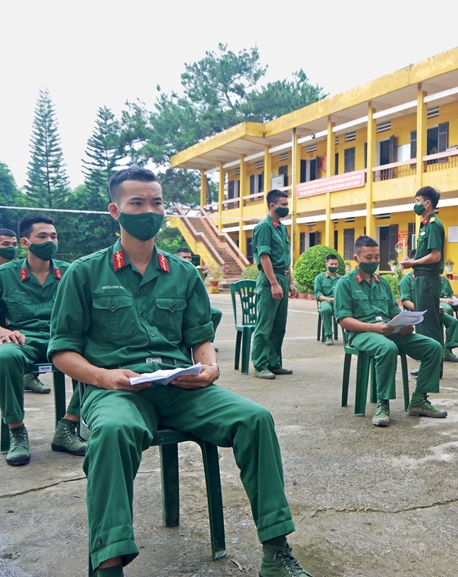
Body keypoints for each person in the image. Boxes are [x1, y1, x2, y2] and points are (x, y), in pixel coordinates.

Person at [48, 168, 309, 577]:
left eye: (156, 203)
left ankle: (276, 552)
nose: (149, 211)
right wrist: (105, 377)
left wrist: (210, 368)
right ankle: (108, 564)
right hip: (117, 390)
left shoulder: (184, 274)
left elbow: (200, 339)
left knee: (255, 419)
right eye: (137, 203)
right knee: (114, 432)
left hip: (180, 384)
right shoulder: (84, 273)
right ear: (115, 210)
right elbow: (62, 352)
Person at [0, 214, 87, 466]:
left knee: (101, 354)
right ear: (25, 242)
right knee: (5, 356)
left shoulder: (71, 272)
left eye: (53, 236)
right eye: (42, 236)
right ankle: (16, 431)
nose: (50, 241)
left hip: (62, 340)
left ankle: (68, 427)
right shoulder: (5, 274)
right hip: (24, 341)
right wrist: (2, 332)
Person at [336, 235, 445, 427]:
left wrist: (404, 324)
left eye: (377, 257)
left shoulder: (383, 283)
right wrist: (372, 327)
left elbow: (394, 311)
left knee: (433, 346)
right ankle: (383, 404)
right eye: (369, 258)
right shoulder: (345, 283)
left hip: (388, 329)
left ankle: (419, 400)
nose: (374, 261)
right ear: (356, 259)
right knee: (387, 348)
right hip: (362, 333)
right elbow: (344, 320)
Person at [251, 189, 296, 380]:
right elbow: (264, 256)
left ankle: (274, 363)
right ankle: (260, 365)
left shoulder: (281, 227)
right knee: (265, 325)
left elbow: (286, 258)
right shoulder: (264, 227)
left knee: (279, 326)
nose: (287, 208)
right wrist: (274, 284)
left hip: (283, 278)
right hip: (271, 279)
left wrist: (291, 282)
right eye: (284, 205)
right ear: (272, 205)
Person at [0, 227, 49, 394]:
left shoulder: (20, 270)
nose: (11, 249)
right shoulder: (5, 274)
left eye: (14, 244)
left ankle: (28, 375)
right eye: (5, 244)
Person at [399, 186, 445, 362]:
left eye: (418, 201)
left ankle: (432, 367)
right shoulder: (425, 225)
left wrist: (413, 262)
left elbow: (435, 256)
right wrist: (413, 261)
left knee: (428, 324)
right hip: (421, 278)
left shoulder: (433, 224)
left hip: (427, 279)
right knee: (423, 323)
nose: (415, 205)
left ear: (427, 203)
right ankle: (430, 365)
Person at [399, 267, 458, 363]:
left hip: (432, 309)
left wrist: (436, 307)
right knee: (429, 331)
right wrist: (421, 309)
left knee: (452, 322)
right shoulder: (406, 280)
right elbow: (405, 301)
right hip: (416, 311)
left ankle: (447, 350)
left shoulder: (429, 277)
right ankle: (426, 357)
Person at [175, 247, 222, 350]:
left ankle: (204, 343)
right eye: (184, 257)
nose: (188, 259)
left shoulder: (193, 271)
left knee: (215, 313)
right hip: (177, 304)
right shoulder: (173, 271)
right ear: (177, 257)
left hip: (192, 304)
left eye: (189, 257)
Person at [314, 254, 341, 346]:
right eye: (331, 264)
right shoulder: (319, 278)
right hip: (326, 301)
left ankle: (349, 335)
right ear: (326, 265)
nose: (334, 266)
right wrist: (328, 299)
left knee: (349, 309)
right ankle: (328, 335)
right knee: (326, 309)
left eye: (335, 264)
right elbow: (318, 294)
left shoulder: (341, 279)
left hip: (339, 302)